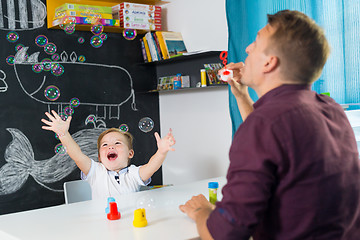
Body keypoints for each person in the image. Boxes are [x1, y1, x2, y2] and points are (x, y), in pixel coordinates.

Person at [180, 10, 360, 240]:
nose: (247, 49)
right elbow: (274, 141)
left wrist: (201, 211)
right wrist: (242, 97)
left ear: (269, 62)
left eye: (254, 44)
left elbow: (224, 235)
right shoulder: (330, 108)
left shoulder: (265, 124)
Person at [41, 110, 176, 201]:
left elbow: (151, 166)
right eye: (105, 145)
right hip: (102, 225)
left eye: (117, 143)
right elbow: (77, 155)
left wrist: (161, 151)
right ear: (99, 157)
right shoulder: (95, 171)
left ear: (130, 153)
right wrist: (63, 134)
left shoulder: (133, 174)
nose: (111, 146)